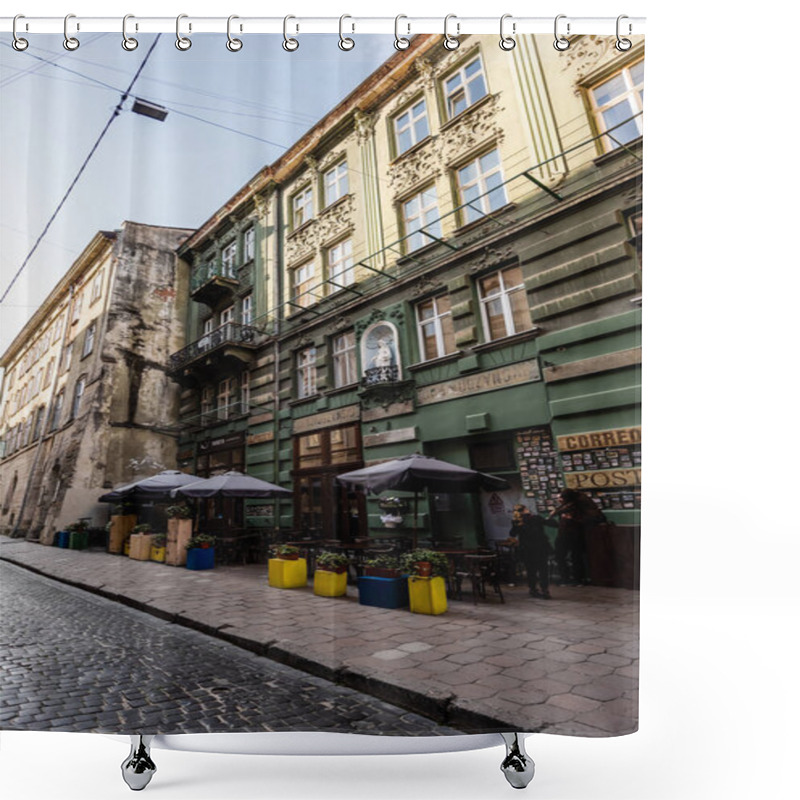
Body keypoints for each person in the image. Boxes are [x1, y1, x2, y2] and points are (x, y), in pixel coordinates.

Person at [548, 489, 605, 585]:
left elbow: (593, 518)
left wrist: (573, 518)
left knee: (574, 557)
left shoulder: (578, 506)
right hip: (568, 533)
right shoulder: (570, 505)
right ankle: (572, 579)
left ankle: (573, 579)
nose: (559, 500)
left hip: (574, 534)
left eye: (561, 498)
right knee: (571, 557)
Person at [509, 504, 556, 598]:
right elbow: (553, 524)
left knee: (531, 570)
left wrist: (515, 523)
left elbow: (512, 534)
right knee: (543, 570)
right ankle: (545, 590)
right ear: (526, 509)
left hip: (527, 549)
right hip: (540, 547)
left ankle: (533, 589)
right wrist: (551, 516)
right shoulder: (536, 518)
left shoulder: (517, 521)